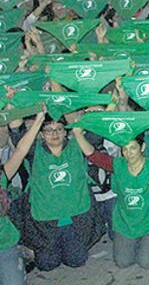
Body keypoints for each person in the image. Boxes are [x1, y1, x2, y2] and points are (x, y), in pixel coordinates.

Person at [73, 120, 149, 269]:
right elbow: (92, 155)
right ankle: (140, 241)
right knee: (123, 262)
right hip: (127, 222)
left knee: (147, 263)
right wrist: (77, 134)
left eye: (133, 148)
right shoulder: (118, 165)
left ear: (142, 147)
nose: (128, 153)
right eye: (125, 149)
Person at [21, 115, 99, 271]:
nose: (54, 134)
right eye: (48, 130)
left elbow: (96, 135)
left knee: (77, 260)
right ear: (41, 134)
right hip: (45, 221)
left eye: (59, 129)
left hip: (76, 218)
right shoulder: (33, 151)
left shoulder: (78, 145)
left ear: (65, 132)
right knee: (47, 264)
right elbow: (17, 132)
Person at [0, 108, 44, 285]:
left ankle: (19, 254)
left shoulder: (1, 177)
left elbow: (20, 151)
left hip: (5, 246)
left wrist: (39, 119)